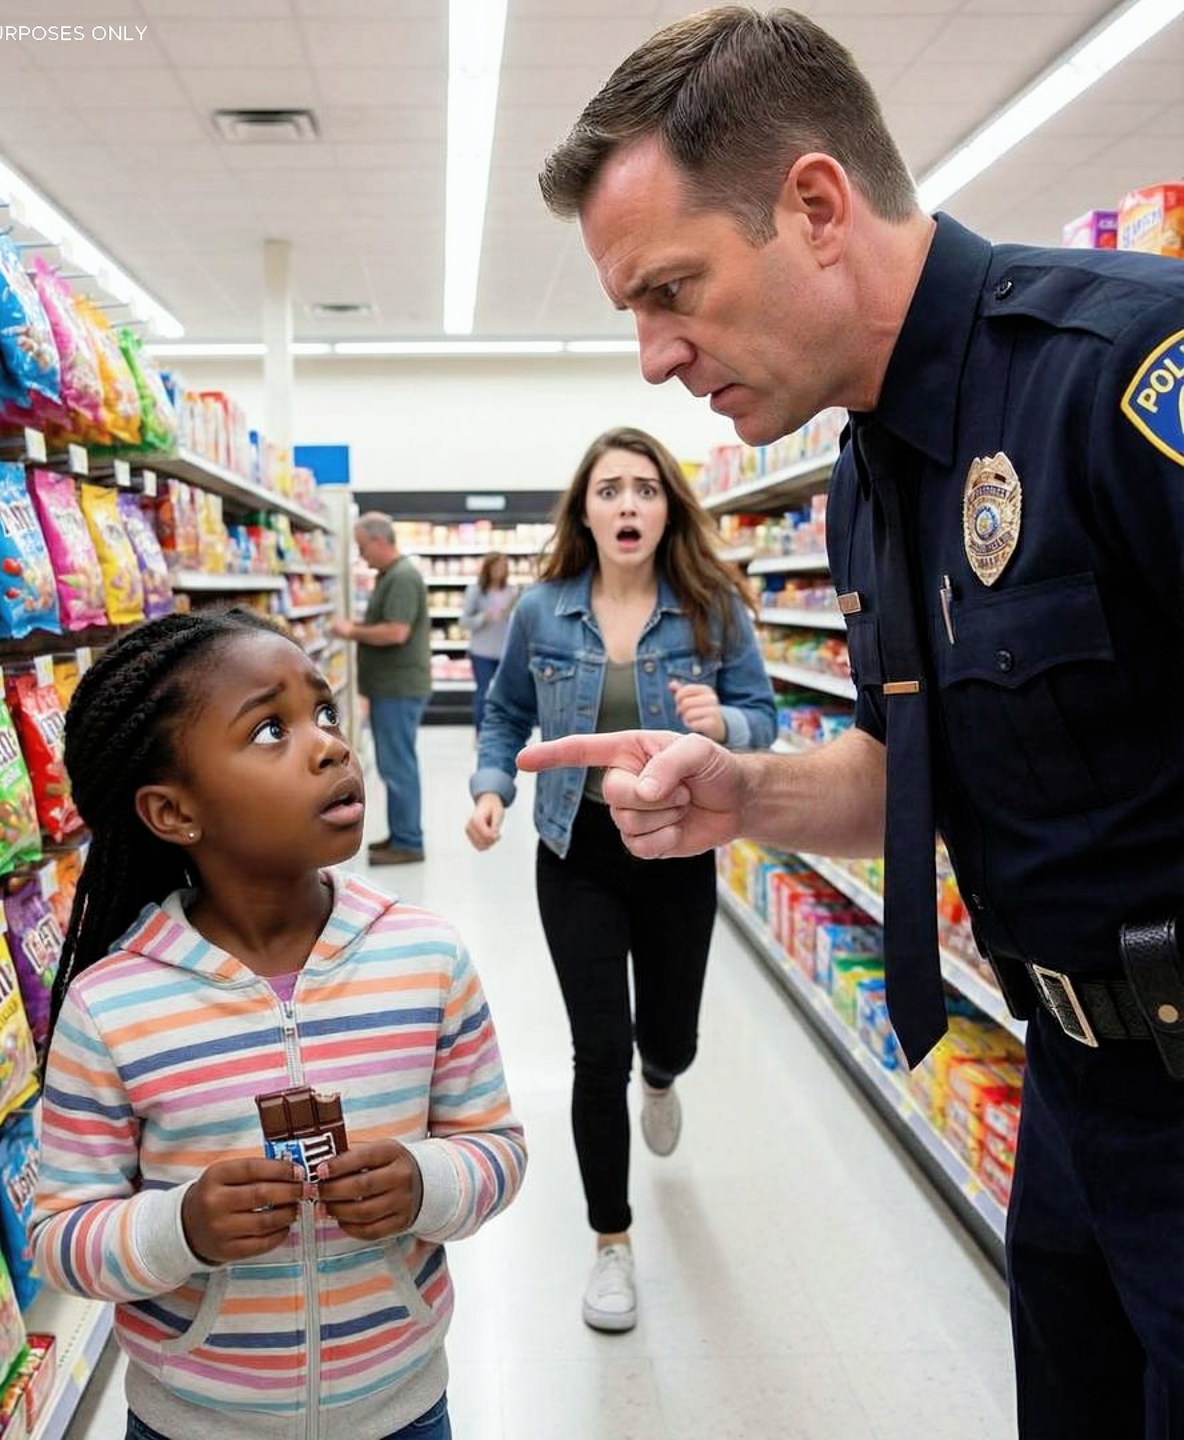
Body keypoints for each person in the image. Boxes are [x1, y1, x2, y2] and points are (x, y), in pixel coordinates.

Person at [522, 8, 1184, 1437]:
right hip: (1071, 1088)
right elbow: (907, 768)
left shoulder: (1123, 371)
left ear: (815, 206)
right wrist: (740, 796)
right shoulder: (868, 477)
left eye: (672, 289)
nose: (652, 357)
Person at [31, 610, 526, 1440]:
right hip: (190, 1422)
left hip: (399, 1408)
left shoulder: (427, 957)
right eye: (270, 729)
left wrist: (425, 1183)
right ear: (174, 812)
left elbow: (497, 1150)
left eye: (325, 713)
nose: (329, 745)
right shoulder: (111, 1007)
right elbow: (62, 1235)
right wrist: (179, 1227)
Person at [465, 426, 775, 1333]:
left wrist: (729, 723)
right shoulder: (542, 610)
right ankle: (611, 1243)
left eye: (646, 488)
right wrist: (492, 791)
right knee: (595, 1050)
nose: (629, 504)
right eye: (610, 490)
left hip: (677, 850)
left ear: (668, 507)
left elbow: (760, 712)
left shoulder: (713, 607)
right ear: (586, 511)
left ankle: (664, 1076)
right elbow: (505, 712)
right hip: (575, 853)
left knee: (666, 1035)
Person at [331, 512, 432, 865]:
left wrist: (351, 631)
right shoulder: (391, 575)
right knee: (394, 763)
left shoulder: (402, 577)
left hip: (398, 686)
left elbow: (396, 632)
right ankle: (401, 834)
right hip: (392, 685)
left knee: (398, 765)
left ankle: (408, 841)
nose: (362, 555)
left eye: (362, 546)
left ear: (378, 540)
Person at [459, 550, 518, 732]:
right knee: (484, 692)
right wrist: (484, 616)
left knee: (506, 694)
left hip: (505, 651)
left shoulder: (513, 592)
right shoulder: (476, 591)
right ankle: (480, 731)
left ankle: (501, 730)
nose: (500, 570)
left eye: (504, 567)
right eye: (497, 566)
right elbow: (464, 622)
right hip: (482, 652)